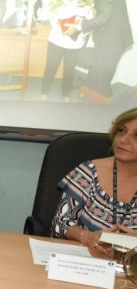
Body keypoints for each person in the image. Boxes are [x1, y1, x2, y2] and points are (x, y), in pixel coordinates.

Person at [52, 107, 137, 257]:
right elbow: (60, 223)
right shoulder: (88, 172)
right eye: (121, 131)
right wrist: (88, 237)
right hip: (87, 263)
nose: (123, 140)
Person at [65, 0, 133, 99]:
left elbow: (103, 18)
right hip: (114, 40)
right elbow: (106, 17)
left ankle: (100, 102)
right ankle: (99, 93)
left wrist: (79, 27)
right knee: (102, 73)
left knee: (102, 76)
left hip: (113, 41)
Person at [39, 0, 93, 102]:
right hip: (57, 40)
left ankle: (66, 93)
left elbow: (90, 26)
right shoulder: (64, 0)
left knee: (69, 70)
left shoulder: (90, 6)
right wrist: (58, 22)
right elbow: (52, 16)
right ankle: (44, 92)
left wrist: (79, 26)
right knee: (51, 67)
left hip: (74, 44)